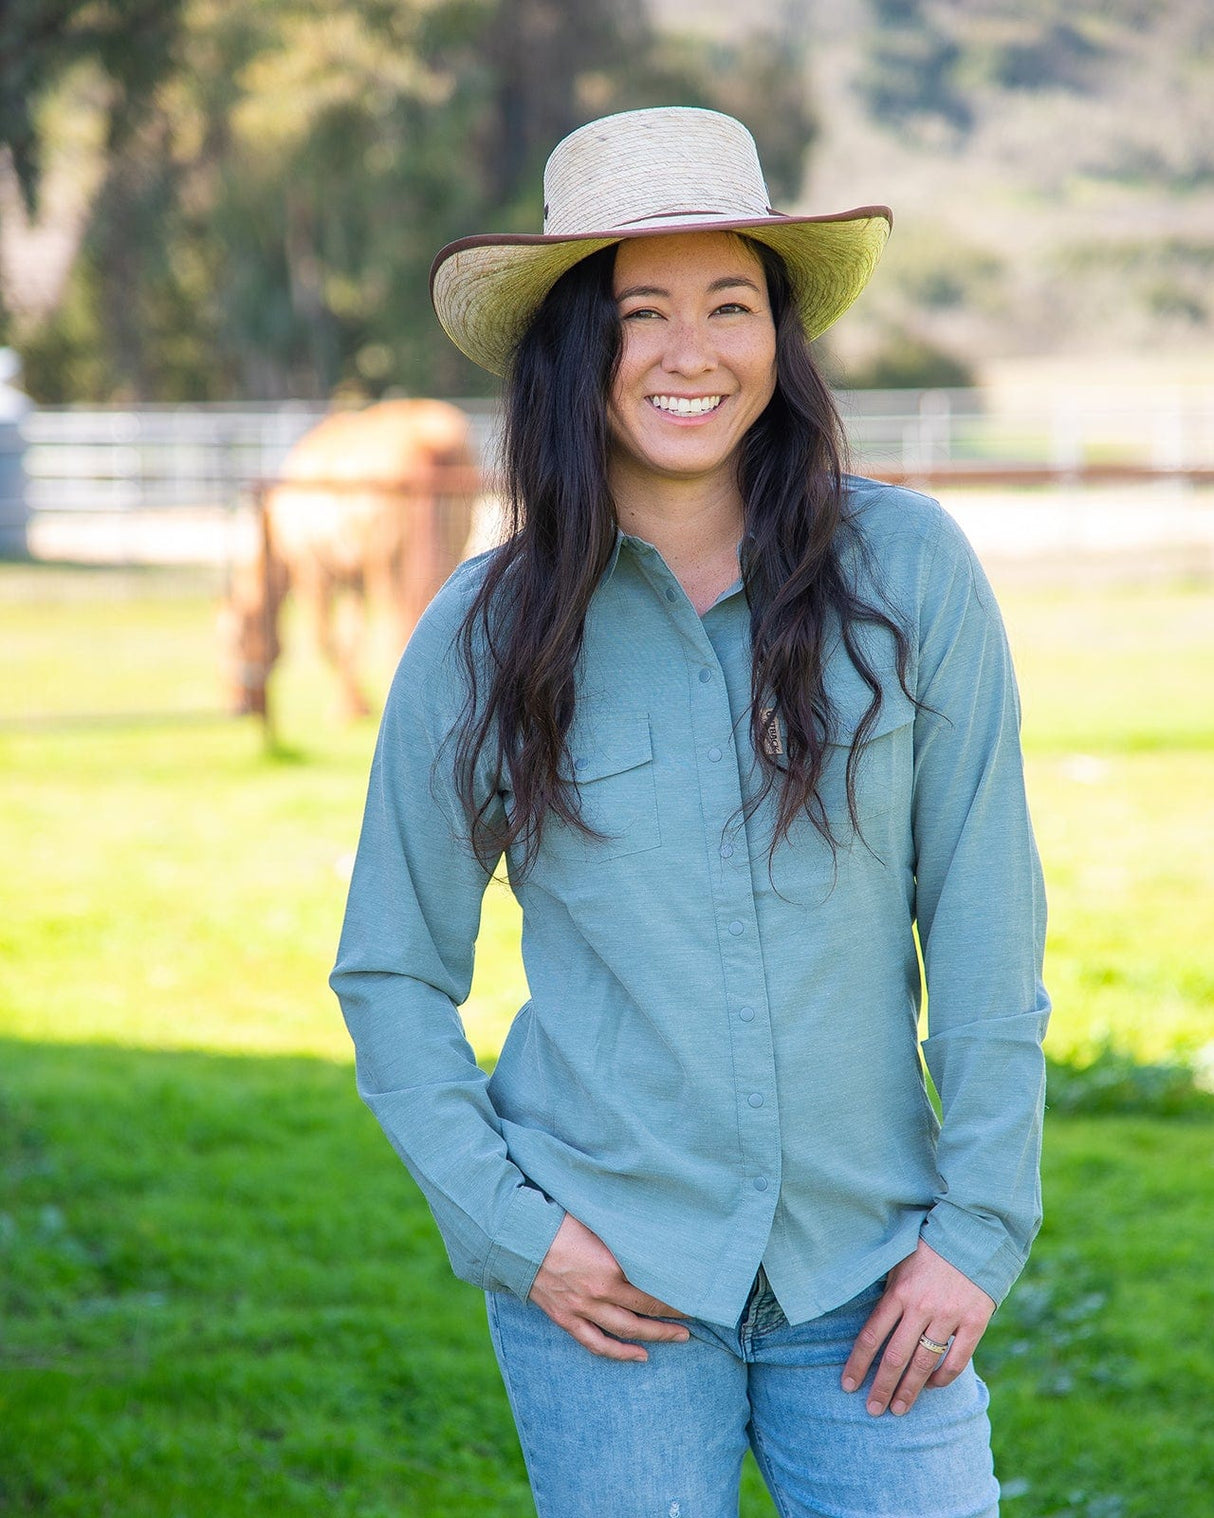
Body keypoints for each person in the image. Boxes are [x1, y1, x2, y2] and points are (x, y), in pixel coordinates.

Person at [331, 106, 1049, 1518]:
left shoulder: (911, 572)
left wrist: (977, 1231)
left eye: (730, 304)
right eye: (638, 312)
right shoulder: (482, 633)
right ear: (571, 351)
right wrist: (515, 1232)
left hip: (876, 1277)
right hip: (609, 1286)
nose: (690, 352)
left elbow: (984, 919)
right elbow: (391, 969)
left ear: (779, 337)